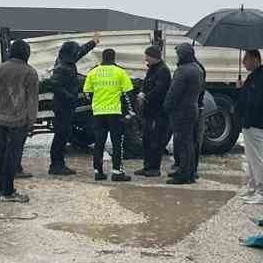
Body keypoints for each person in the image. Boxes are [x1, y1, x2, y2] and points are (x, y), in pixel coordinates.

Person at [0, 39, 39, 203]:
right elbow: (32, 100)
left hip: (1, 118)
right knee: (13, 155)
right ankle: (8, 192)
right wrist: (31, 122)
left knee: (1, 152)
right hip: (19, 121)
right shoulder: (30, 72)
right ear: (26, 53)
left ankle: (0, 189)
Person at [43, 35, 97, 176]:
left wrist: (93, 42)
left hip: (64, 106)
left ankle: (58, 164)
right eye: (75, 52)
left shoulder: (65, 60)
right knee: (61, 136)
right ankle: (56, 165)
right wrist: (69, 96)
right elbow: (53, 84)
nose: (77, 53)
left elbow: (81, 52)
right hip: (63, 107)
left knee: (62, 134)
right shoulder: (62, 68)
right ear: (71, 53)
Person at [235, 49, 263, 205]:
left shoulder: (257, 79)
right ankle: (254, 188)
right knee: (252, 158)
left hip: (255, 123)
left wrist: (241, 90)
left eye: (246, 59)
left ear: (255, 59)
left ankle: (262, 193)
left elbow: (252, 102)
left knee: (256, 159)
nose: (243, 62)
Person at [82, 48, 134, 182]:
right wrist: (130, 112)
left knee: (99, 142)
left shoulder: (93, 72)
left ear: (102, 58)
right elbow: (128, 93)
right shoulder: (120, 72)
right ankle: (117, 172)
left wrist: (95, 102)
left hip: (98, 112)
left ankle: (98, 172)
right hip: (115, 113)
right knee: (117, 143)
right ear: (114, 58)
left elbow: (87, 92)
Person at [163, 43, 205, 185]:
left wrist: (167, 107)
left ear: (183, 55)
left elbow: (174, 92)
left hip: (181, 111)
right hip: (192, 108)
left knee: (182, 143)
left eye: (178, 54)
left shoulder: (182, 71)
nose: (177, 57)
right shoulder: (198, 69)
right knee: (189, 143)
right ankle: (189, 172)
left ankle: (184, 174)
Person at [136, 45, 171, 177]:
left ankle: (154, 168)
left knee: (156, 140)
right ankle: (147, 166)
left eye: (147, 56)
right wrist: (141, 92)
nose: (145, 59)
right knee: (146, 139)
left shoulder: (163, 71)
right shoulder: (152, 69)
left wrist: (145, 96)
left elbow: (160, 90)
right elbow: (146, 84)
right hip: (149, 111)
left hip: (159, 112)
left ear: (153, 57)